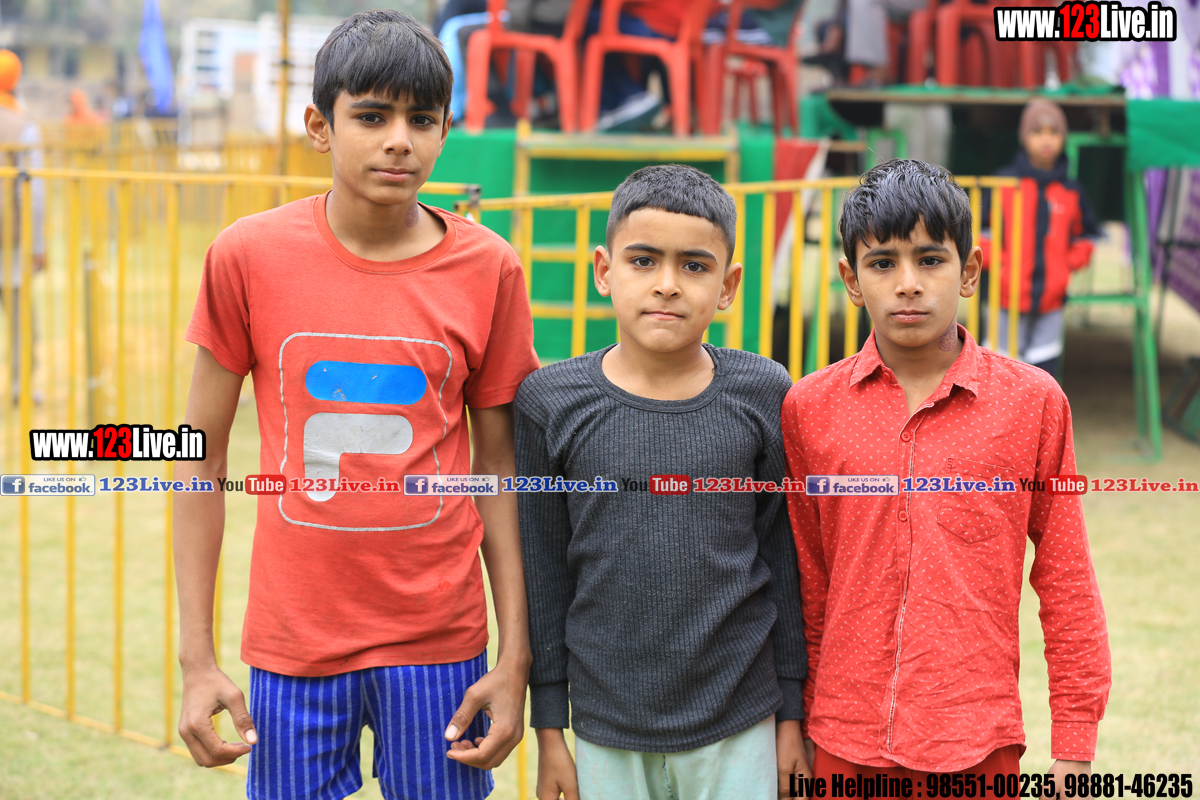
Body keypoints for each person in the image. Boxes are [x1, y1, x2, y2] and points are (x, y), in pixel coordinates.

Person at [173, 11, 538, 799]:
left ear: (445, 130)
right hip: (294, 646)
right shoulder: (247, 256)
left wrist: (515, 657)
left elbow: (500, 470)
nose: (399, 141)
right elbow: (198, 456)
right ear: (320, 125)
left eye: (421, 120)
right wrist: (196, 659)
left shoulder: (489, 269)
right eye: (372, 117)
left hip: (440, 647)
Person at [782, 159, 1110, 783]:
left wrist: (1076, 739)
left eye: (930, 259)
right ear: (852, 280)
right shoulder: (809, 409)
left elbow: (1066, 577)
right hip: (843, 738)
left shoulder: (1033, 404)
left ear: (969, 271)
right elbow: (808, 585)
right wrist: (793, 720)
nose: (908, 284)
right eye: (883, 263)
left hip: (976, 741)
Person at [517, 164, 809, 800]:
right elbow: (543, 573)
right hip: (604, 722)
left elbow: (783, 558)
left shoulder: (765, 393)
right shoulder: (548, 403)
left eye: (694, 266)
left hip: (741, 716)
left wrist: (792, 714)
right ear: (604, 270)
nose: (667, 284)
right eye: (643, 260)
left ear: (729, 285)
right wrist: (549, 729)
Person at [985, 98, 1099, 381]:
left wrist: (1065, 266)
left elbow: (1086, 235)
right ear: (1024, 137)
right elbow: (981, 232)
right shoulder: (1003, 184)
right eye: (1037, 132)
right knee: (1000, 375)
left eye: (1054, 132)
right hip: (1005, 297)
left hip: (1052, 300)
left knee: (1043, 376)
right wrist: (1000, 265)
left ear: (1063, 138)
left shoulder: (1072, 191)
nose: (1046, 139)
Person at [0, 49, 44, 402]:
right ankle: (20, 386)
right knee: (19, 315)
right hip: (9, 237)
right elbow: (34, 192)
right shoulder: (21, 124)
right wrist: (38, 244)